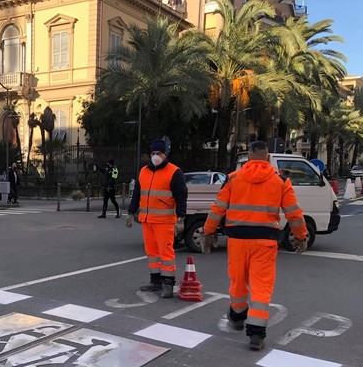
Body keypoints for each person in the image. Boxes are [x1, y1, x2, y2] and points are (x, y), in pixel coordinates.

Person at [201, 141, 308, 351]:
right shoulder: (281, 180)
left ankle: (238, 316)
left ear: (248, 157)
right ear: (267, 158)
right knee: (261, 287)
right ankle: (256, 335)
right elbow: (294, 213)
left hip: (238, 241)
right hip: (265, 242)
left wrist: (208, 232)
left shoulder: (233, 178)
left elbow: (217, 209)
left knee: (238, 281)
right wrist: (301, 237)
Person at [125, 139, 188, 298]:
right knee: (152, 253)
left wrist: (180, 218)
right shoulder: (143, 171)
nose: (155, 156)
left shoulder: (174, 172)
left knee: (166, 253)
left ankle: (168, 283)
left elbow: (181, 196)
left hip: (165, 221)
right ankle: (155, 281)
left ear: (165, 154)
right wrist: (131, 213)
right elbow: (137, 194)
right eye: (152, 153)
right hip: (147, 220)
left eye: (158, 153)